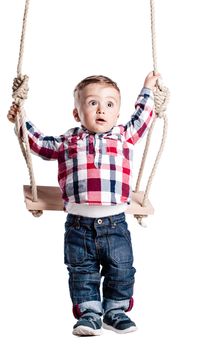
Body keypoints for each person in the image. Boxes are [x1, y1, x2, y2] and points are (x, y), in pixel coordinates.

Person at [8, 71, 159, 336]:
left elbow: (143, 119)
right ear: (77, 113)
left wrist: (148, 89)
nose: (101, 109)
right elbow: (40, 144)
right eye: (92, 103)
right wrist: (20, 119)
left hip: (116, 225)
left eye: (110, 104)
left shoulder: (123, 136)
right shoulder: (68, 142)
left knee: (121, 270)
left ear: (117, 112)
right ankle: (89, 315)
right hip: (78, 227)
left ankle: (116, 311)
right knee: (82, 272)